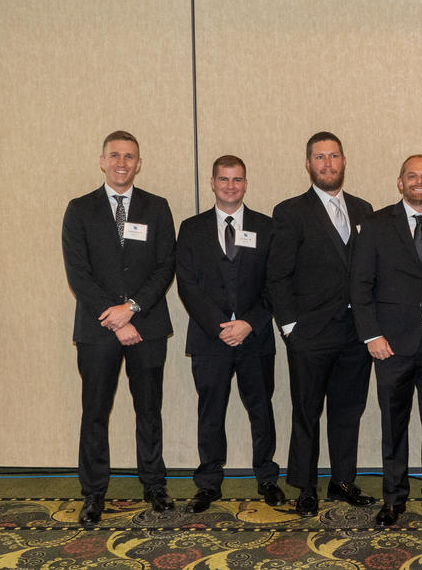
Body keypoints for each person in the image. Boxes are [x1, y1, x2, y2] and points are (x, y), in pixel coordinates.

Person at [61, 130, 176, 525]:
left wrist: (131, 309)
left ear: (139, 163)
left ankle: (154, 486)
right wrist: (114, 318)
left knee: (149, 409)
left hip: (147, 325)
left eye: (129, 156)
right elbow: (78, 273)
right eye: (115, 155)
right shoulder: (79, 209)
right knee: (95, 411)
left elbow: (165, 267)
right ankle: (93, 493)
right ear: (102, 160)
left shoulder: (157, 207)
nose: (122, 163)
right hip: (97, 331)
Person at [350, 155, 422, 526]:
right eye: (412, 176)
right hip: (390, 344)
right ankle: (394, 498)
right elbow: (360, 285)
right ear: (400, 183)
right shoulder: (377, 224)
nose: (419, 181)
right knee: (393, 425)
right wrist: (371, 335)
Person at [267, 132, 375, 516]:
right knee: (307, 411)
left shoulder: (365, 210)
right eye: (319, 157)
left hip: (355, 334)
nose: (327, 164)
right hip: (310, 333)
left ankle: (343, 481)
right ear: (308, 164)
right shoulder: (290, 211)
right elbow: (276, 276)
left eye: (333, 156)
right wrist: (290, 328)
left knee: (349, 411)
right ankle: (306, 486)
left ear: (344, 161)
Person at [175, 155, 285, 513]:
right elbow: (187, 286)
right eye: (224, 179)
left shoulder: (267, 228)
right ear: (212, 183)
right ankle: (208, 483)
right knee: (210, 411)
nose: (230, 186)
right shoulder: (191, 229)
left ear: (246, 184)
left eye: (237, 180)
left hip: (255, 338)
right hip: (210, 339)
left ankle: (267, 478)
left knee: (261, 409)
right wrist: (221, 327)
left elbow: (275, 285)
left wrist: (249, 323)